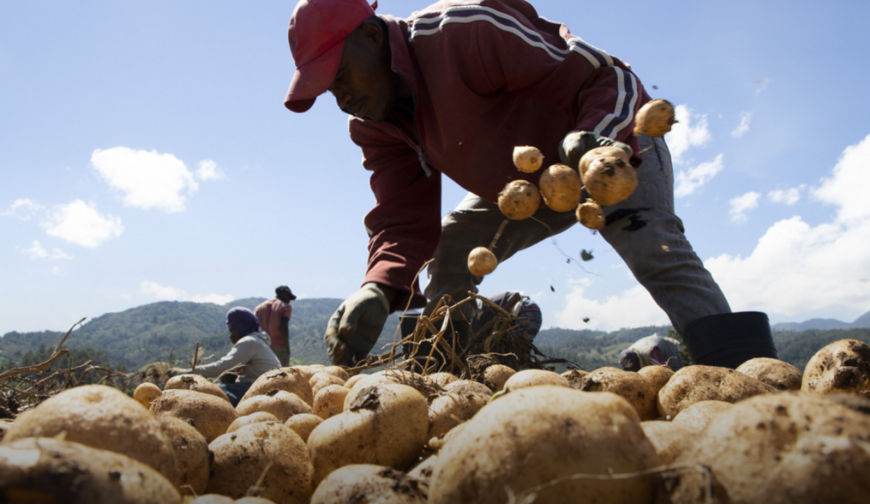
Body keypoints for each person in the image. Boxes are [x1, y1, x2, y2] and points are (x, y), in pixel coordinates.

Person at [283, 0, 778, 369]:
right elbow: (401, 218)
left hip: (610, 142)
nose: (342, 97)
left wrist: (598, 145)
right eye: (329, 89)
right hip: (521, 189)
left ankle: (741, 377)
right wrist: (377, 286)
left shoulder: (461, 32)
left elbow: (606, 77)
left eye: (342, 75)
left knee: (650, 241)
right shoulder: (375, 124)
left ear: (371, 35)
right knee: (455, 246)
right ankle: (437, 379)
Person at [169, 307, 280, 406]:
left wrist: (185, 372)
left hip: (260, 390)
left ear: (241, 327)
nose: (230, 335)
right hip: (265, 387)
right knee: (226, 377)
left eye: (232, 330)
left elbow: (221, 367)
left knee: (210, 394)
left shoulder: (249, 342)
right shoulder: (256, 341)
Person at [471, 292, 543, 343]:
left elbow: (477, 339)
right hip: (534, 311)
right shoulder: (481, 307)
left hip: (522, 311)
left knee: (513, 351)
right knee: (523, 352)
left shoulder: (475, 314)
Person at [254, 285, 296, 367]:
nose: (289, 300)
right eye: (288, 297)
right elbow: (284, 327)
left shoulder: (260, 307)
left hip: (263, 346)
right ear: (283, 294)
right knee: (282, 375)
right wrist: (287, 349)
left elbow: (254, 325)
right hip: (279, 347)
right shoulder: (285, 307)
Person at [619, 333, 684, 372]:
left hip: (667, 349)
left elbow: (664, 371)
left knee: (675, 373)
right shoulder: (627, 355)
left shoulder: (651, 353)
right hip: (651, 347)